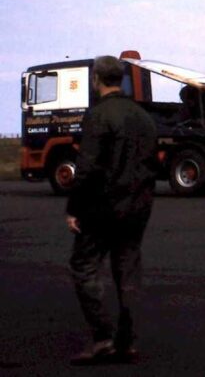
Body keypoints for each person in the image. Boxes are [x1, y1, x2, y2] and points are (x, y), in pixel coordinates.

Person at [66, 55, 159, 365]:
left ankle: (103, 337)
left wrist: (73, 208)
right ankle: (128, 341)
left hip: (102, 207)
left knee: (84, 267)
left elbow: (87, 167)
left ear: (96, 79)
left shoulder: (98, 116)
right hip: (137, 206)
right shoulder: (143, 117)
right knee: (128, 270)